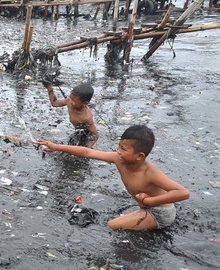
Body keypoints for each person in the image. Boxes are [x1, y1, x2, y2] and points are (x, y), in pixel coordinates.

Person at [37, 125, 190, 230]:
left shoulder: (149, 172)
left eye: (123, 149)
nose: (118, 151)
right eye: (118, 146)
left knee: (111, 225)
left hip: (160, 213)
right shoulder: (119, 159)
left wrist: (149, 201)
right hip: (145, 206)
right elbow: (88, 153)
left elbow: (183, 193)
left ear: (139, 156)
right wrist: (56, 146)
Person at [44, 82, 99, 148]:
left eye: (74, 101)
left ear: (85, 103)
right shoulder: (69, 100)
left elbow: (95, 135)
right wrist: (49, 87)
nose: (71, 102)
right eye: (70, 98)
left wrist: (87, 149)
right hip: (77, 131)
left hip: (84, 135)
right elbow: (55, 103)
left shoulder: (86, 117)